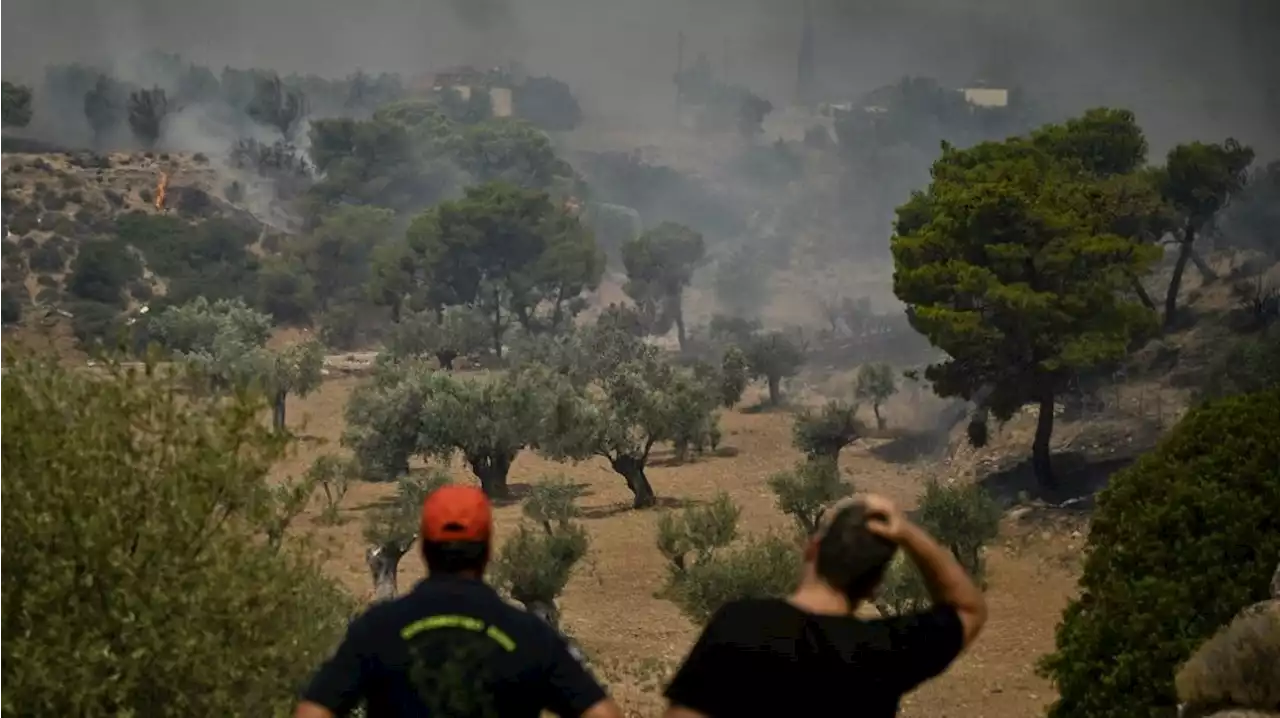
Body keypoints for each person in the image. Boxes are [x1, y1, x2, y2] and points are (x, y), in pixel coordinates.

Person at [294, 485, 623, 718]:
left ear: (423, 549)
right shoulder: (529, 635)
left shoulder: (377, 629)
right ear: (488, 550)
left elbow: (312, 712)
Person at [662, 493, 988, 717]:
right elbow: (968, 608)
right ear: (874, 586)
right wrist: (907, 533)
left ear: (812, 549)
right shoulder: (884, 652)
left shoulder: (740, 625)